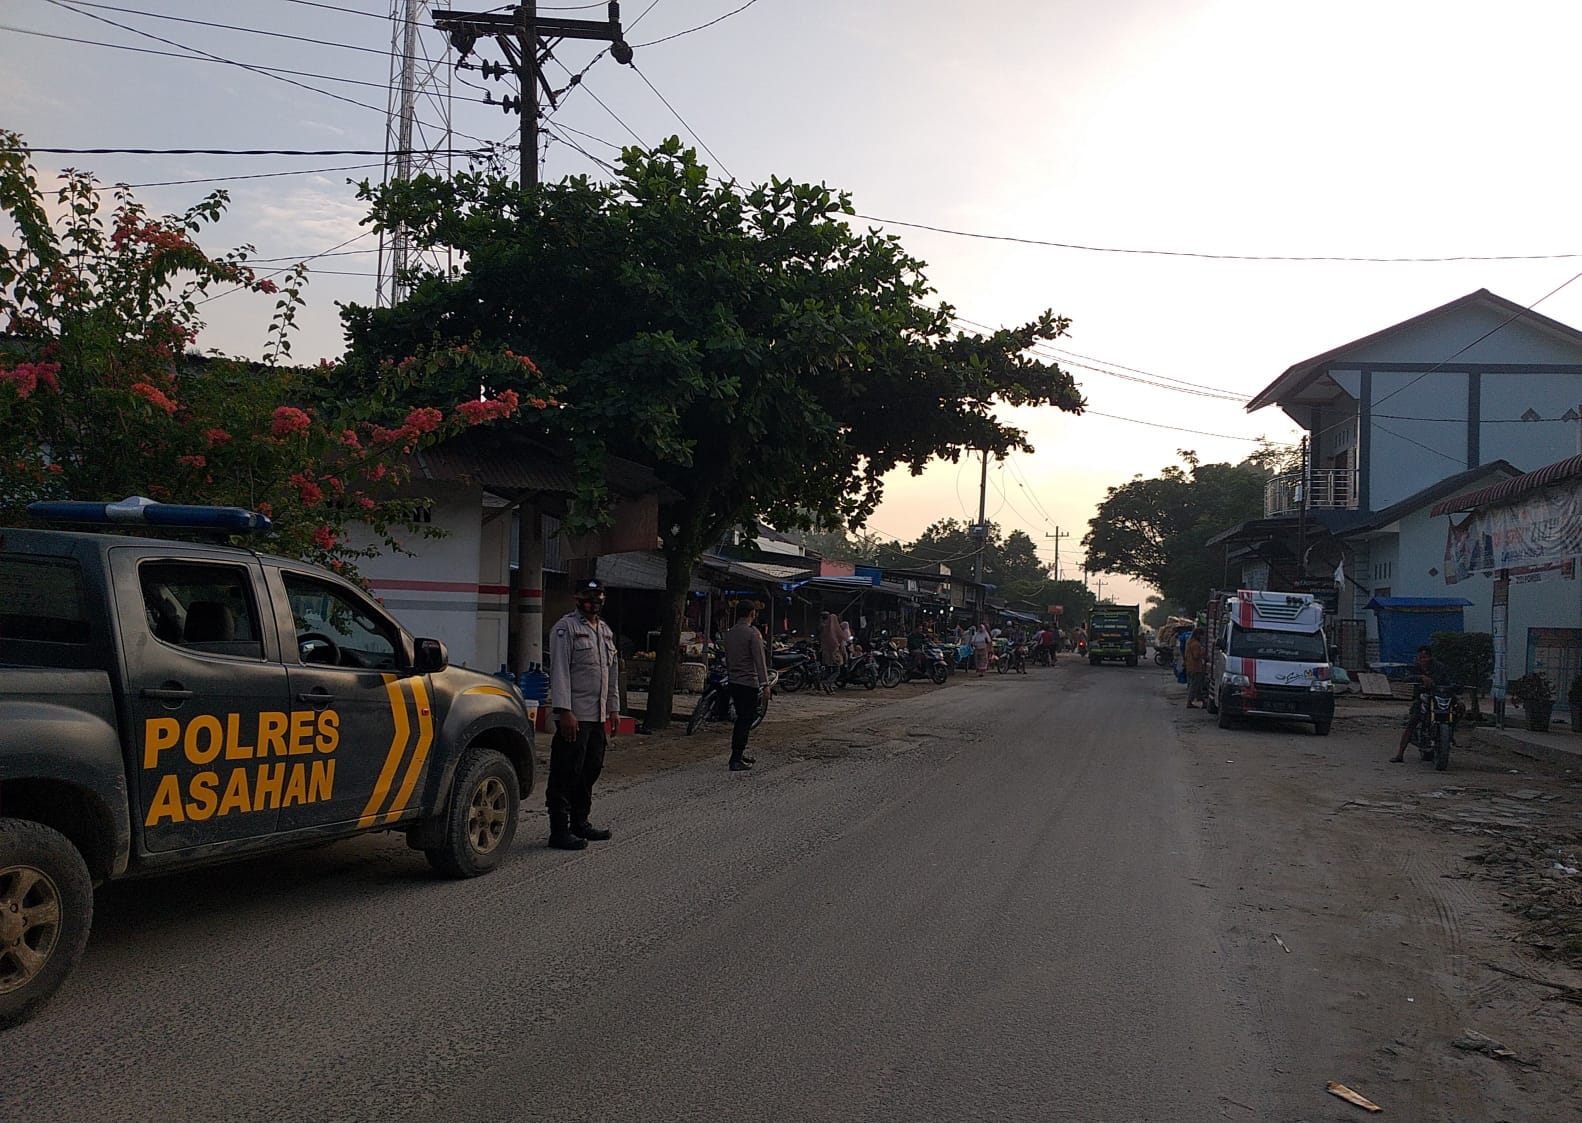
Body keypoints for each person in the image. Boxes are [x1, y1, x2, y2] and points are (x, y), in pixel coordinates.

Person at [546, 578, 621, 850]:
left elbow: (611, 673)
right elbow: (559, 671)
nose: (594, 601)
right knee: (566, 771)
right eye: (589, 596)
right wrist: (564, 710)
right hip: (574, 716)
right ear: (577, 598)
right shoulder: (565, 628)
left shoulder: (605, 631)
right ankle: (559, 830)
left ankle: (580, 822)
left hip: (597, 715)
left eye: (599, 596)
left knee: (590, 769)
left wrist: (613, 708)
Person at [723, 602, 771, 771]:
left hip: (733, 681)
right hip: (749, 682)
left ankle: (738, 753)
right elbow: (760, 660)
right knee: (745, 720)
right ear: (752, 613)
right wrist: (765, 684)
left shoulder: (730, 633)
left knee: (741, 718)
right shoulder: (752, 634)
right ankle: (736, 758)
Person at [1392, 644, 1452, 762]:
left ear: (1430, 657)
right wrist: (1421, 677)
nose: (1421, 660)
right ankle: (1400, 754)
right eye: (1420, 658)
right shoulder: (1416, 668)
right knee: (1412, 722)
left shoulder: (1439, 667)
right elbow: (1407, 678)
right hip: (1423, 698)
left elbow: (1448, 682)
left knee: (1459, 708)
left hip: (1440, 697)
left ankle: (1451, 732)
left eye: (1424, 657)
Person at [1183, 629, 1206, 708]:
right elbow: (1196, 656)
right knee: (1195, 686)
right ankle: (1190, 701)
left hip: (1189, 667)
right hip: (1196, 668)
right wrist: (1202, 652)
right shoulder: (1196, 644)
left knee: (1197, 686)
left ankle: (1203, 701)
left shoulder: (1189, 642)